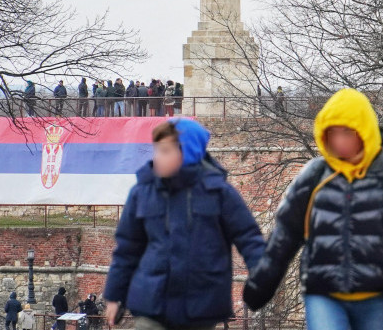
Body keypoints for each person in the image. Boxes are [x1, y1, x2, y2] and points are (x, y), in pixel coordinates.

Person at [243, 88, 383, 330]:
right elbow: (284, 236)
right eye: (332, 133)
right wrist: (260, 286)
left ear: (364, 131)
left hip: (378, 295)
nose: (339, 141)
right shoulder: (314, 176)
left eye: (347, 132)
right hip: (323, 294)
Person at [103, 118, 266, 330]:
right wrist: (114, 296)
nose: (157, 157)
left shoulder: (219, 193)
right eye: (156, 150)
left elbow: (249, 238)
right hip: (152, 302)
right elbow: (127, 248)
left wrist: (262, 275)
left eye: (165, 151)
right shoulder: (143, 192)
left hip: (201, 304)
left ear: (187, 153)